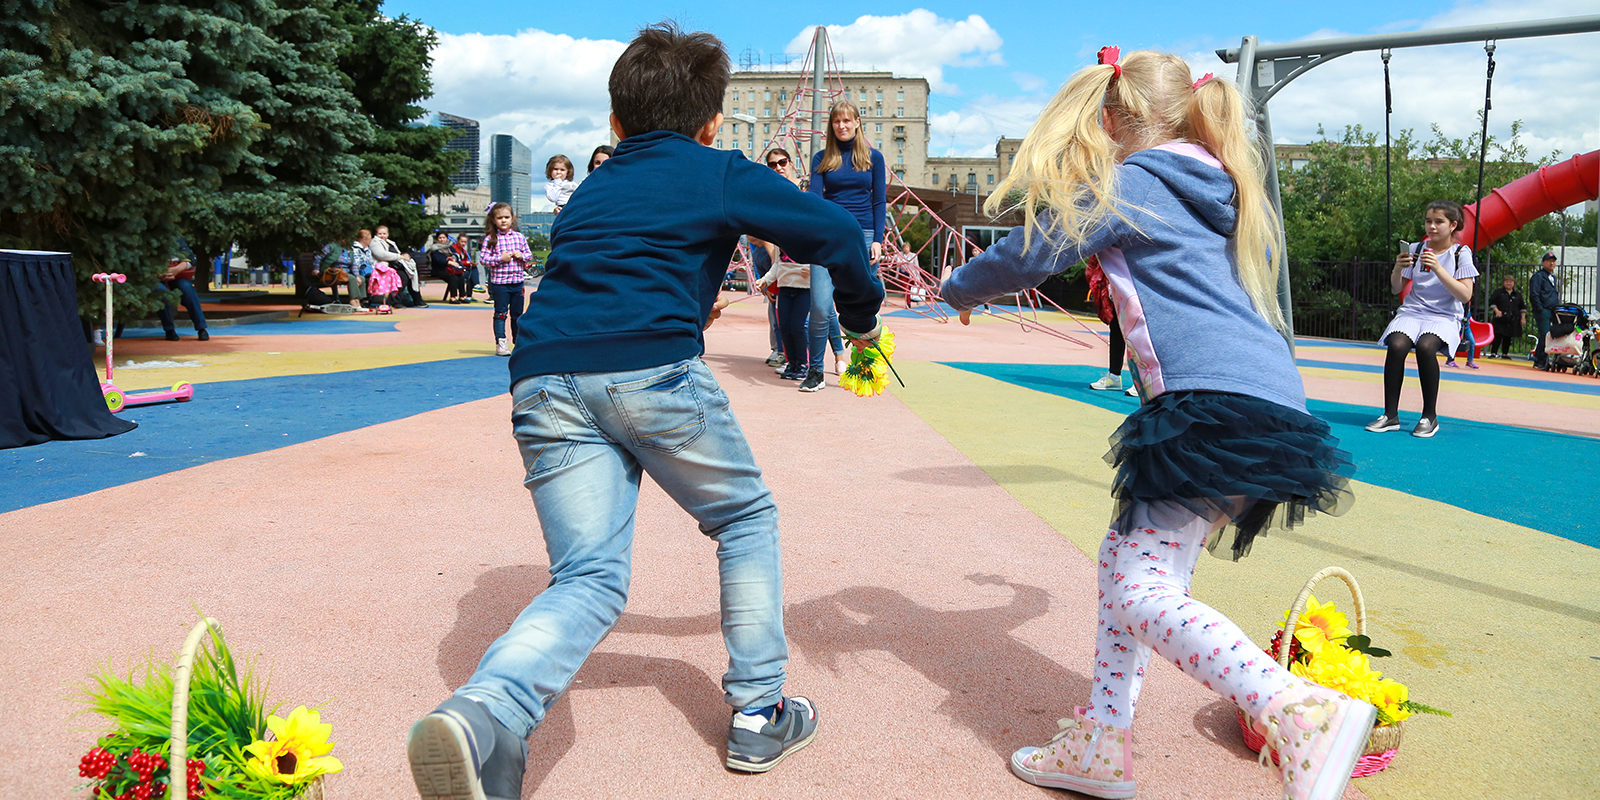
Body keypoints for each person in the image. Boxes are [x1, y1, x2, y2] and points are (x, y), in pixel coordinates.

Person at [406, 23, 883, 799]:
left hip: (544, 378)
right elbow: (831, 229)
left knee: (588, 577)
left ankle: (487, 715)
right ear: (713, 123)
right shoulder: (716, 168)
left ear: (614, 124)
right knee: (743, 519)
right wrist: (860, 320)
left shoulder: (592, 187)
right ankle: (760, 712)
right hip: (652, 373)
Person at [939, 49, 1364, 800]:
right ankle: (1102, 744)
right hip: (1262, 402)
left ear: (1110, 119)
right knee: (1129, 569)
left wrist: (956, 285)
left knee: (1140, 591)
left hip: (1207, 406)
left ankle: (1295, 709)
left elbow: (1035, 250)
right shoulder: (1215, 181)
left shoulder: (1132, 182)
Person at [1366, 201, 1478, 438]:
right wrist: (1397, 268)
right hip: (1413, 311)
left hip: (1444, 315)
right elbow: (1397, 288)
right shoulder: (1416, 249)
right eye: (1429, 221)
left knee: (1426, 348)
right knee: (1396, 345)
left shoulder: (1460, 253)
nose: (1432, 227)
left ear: (1453, 225)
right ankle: (1390, 415)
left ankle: (1429, 416)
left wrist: (1438, 268)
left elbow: (1465, 295)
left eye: (1439, 222)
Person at [808, 100, 885, 385]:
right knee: (819, 305)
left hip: (863, 236)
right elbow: (816, 201)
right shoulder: (821, 158)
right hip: (829, 236)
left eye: (846, 120)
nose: (841, 126)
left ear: (856, 123)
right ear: (832, 126)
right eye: (836, 121)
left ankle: (864, 369)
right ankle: (815, 371)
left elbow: (879, 201)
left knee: (863, 308)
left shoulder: (873, 158)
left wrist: (878, 239)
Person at [752, 241, 813, 384]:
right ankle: (791, 362)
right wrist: (765, 280)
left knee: (797, 327)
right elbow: (777, 265)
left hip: (804, 288)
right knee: (784, 326)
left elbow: (821, 263)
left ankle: (803, 363)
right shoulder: (781, 242)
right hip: (785, 286)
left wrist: (812, 271)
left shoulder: (810, 239)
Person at [477, 202, 533, 356]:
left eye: (506, 217)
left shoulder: (519, 237)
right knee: (500, 313)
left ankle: (518, 342)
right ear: (493, 220)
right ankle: (501, 343)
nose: (503, 220)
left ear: (512, 219)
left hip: (517, 282)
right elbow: (484, 259)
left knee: (517, 314)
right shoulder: (490, 239)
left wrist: (522, 256)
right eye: (500, 218)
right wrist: (500, 258)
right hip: (500, 284)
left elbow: (529, 255)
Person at [372, 225, 427, 308]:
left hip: (396, 265)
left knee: (411, 275)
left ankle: (417, 299)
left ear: (388, 234)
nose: (382, 235)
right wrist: (400, 256)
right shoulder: (375, 242)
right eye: (380, 233)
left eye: (384, 233)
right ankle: (395, 301)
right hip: (384, 267)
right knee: (403, 278)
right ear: (376, 234)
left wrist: (403, 256)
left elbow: (398, 253)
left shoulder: (390, 242)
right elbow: (381, 255)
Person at [156, 257, 209, 341]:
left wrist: (176, 269)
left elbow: (191, 258)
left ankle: (201, 328)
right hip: (155, 278)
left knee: (187, 288)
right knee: (161, 292)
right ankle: (169, 330)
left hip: (177, 276)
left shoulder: (179, 244)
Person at [1529, 252, 1560, 369]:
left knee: (1551, 334)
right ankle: (1540, 360)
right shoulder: (1538, 276)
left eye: (1553, 261)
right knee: (1545, 334)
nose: (1552, 263)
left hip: (1553, 309)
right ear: (1543, 263)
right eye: (1549, 261)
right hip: (1544, 310)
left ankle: (1544, 358)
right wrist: (1540, 309)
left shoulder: (1553, 278)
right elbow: (1534, 294)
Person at [1486, 274, 1525, 358]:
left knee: (1508, 336)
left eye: (1510, 282)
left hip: (1512, 319)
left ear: (1514, 283)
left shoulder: (1517, 295)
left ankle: (1505, 354)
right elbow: (1492, 302)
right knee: (1497, 335)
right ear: (1503, 283)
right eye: (1507, 281)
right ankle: (1493, 353)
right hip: (1500, 318)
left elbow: (1522, 307)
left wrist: (1523, 318)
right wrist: (1497, 311)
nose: (1509, 283)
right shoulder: (1498, 292)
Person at [425, 232, 467, 303]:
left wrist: (454, 259)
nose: (442, 239)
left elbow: (456, 255)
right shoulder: (434, 248)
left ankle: (462, 296)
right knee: (453, 276)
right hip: (438, 269)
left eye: (443, 238)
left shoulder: (449, 247)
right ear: (437, 239)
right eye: (440, 238)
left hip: (449, 269)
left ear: (447, 239)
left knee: (460, 275)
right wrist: (449, 261)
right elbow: (438, 259)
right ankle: (453, 297)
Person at [451, 233, 478, 302]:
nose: (463, 243)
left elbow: (465, 260)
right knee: (469, 274)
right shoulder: (453, 249)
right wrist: (467, 263)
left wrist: (471, 263)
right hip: (456, 269)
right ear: (458, 241)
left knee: (473, 269)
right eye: (462, 241)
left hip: (463, 268)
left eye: (465, 242)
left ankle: (475, 286)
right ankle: (474, 286)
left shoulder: (463, 250)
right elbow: (457, 261)